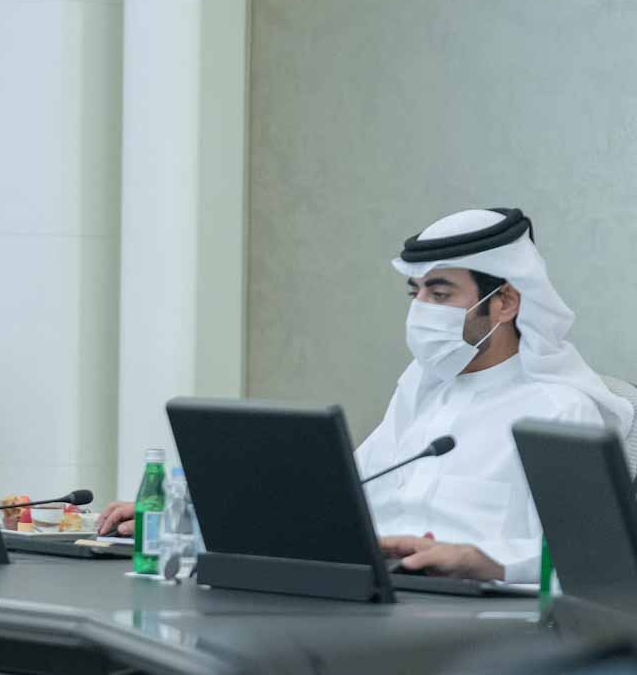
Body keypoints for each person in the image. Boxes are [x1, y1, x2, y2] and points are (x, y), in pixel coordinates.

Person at [98, 208, 631, 581]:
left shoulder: (560, 407)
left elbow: (593, 561)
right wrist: (186, 513)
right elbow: (338, 499)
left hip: (485, 625)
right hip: (378, 596)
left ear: (506, 303)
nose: (421, 310)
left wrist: (483, 561)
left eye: (440, 293)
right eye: (416, 293)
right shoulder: (420, 388)